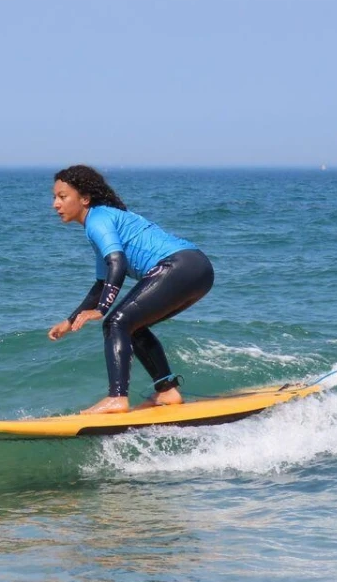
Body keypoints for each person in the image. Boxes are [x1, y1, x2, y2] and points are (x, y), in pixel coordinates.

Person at [47, 165, 214, 414]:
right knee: (131, 326)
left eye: (62, 197)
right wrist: (70, 321)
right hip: (197, 269)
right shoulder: (102, 221)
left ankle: (117, 398)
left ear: (84, 199)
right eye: (54, 197)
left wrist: (101, 310)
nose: (55, 205)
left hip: (179, 265)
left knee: (116, 322)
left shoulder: (98, 221)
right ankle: (166, 391)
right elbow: (103, 282)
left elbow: (118, 262)